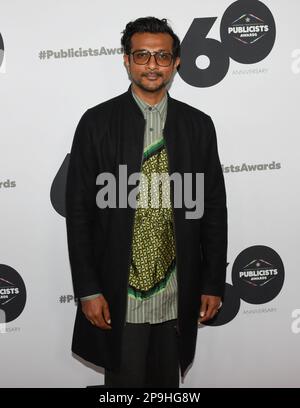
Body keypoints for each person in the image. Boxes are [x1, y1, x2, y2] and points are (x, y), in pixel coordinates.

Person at [65, 16, 227, 388]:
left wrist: (213, 281)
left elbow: (213, 209)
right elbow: (78, 213)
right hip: (120, 294)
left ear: (176, 63)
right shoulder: (96, 123)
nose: (152, 65)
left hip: (177, 292)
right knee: (124, 387)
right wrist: (89, 289)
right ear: (126, 60)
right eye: (142, 55)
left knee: (166, 388)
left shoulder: (198, 125)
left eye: (162, 56)